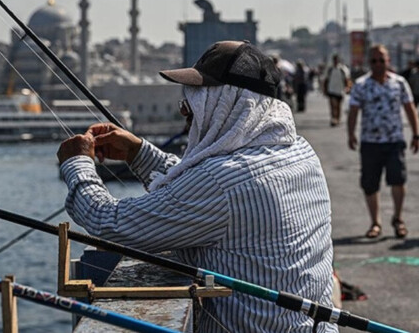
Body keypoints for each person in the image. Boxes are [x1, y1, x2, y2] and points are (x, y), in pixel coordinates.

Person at [57, 41, 338, 333]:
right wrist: (138, 153)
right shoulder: (300, 153)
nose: (186, 113)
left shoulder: (221, 183)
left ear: (224, 105)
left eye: (191, 103)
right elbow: (199, 188)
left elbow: (110, 222)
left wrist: (77, 163)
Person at [347, 45, 419, 239]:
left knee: (398, 179)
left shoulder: (399, 83)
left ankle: (398, 218)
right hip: (370, 142)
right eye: (374, 61)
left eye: (382, 60)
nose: (378, 64)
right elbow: (353, 110)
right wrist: (350, 134)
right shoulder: (361, 85)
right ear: (369, 63)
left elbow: (409, 108)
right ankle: (375, 222)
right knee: (370, 184)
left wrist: (416, 134)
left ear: (388, 61)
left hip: (394, 140)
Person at [322, 55, 351, 126]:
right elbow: (326, 80)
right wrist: (325, 89)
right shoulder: (330, 69)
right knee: (333, 105)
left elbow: (347, 79)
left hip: (340, 90)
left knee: (338, 106)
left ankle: (337, 118)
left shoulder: (343, 69)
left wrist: (347, 88)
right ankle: (333, 118)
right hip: (331, 89)